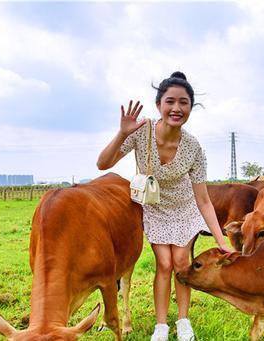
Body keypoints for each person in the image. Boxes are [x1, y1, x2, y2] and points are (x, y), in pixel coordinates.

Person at [97, 71, 232, 341]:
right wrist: (121, 132)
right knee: (164, 263)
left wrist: (221, 241)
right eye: (170, 101)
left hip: (184, 208)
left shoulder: (193, 147)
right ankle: (161, 326)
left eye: (184, 103)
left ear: (191, 108)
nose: (177, 108)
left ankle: (183, 321)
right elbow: (103, 164)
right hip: (154, 208)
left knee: (182, 262)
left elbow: (203, 200)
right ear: (159, 105)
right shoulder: (141, 133)